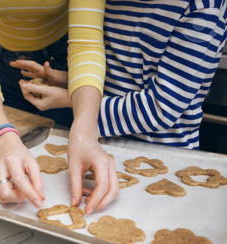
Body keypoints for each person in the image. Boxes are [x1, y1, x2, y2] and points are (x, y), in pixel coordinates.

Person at [0, 0, 119, 215]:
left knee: (69, 145)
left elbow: (85, 45)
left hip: (64, 58)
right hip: (0, 58)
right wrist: (1, 138)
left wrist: (85, 130)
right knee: (10, 155)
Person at [14, 0, 227, 150]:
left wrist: (72, 101)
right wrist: (71, 81)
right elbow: (120, 75)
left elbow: (162, 108)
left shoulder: (204, 9)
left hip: (163, 152)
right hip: (98, 142)